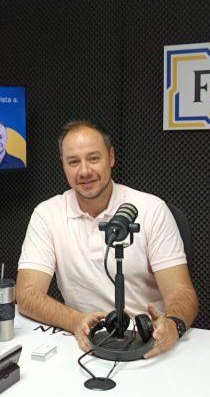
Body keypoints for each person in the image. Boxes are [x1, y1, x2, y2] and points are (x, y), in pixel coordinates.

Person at [16, 120, 198, 359]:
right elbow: (26, 294)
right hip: (85, 342)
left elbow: (182, 292)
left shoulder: (152, 209)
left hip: (150, 344)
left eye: (93, 158)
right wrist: (75, 321)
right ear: (63, 166)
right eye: (73, 162)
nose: (84, 171)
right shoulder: (47, 213)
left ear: (111, 158)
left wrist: (174, 326)